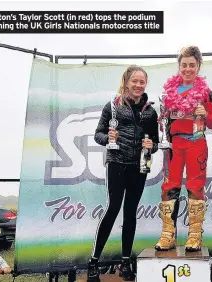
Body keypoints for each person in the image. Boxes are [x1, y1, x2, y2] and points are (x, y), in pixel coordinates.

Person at [86, 65, 159, 282]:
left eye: (142, 82)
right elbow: (97, 135)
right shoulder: (112, 106)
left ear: (145, 84)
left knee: (130, 212)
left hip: (139, 165)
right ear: (126, 82)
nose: (138, 85)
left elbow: (154, 143)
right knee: (113, 208)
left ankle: (126, 261)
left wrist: (151, 144)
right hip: (117, 162)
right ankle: (93, 261)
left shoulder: (150, 111)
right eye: (134, 81)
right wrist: (109, 138)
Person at [155, 46, 212, 252]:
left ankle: (195, 235)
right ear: (179, 66)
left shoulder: (206, 93)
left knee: (194, 186)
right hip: (174, 145)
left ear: (198, 66)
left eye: (192, 65)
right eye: (184, 65)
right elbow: (164, 120)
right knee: (169, 187)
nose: (188, 69)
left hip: (196, 143)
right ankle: (167, 235)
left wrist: (205, 114)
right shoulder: (169, 91)